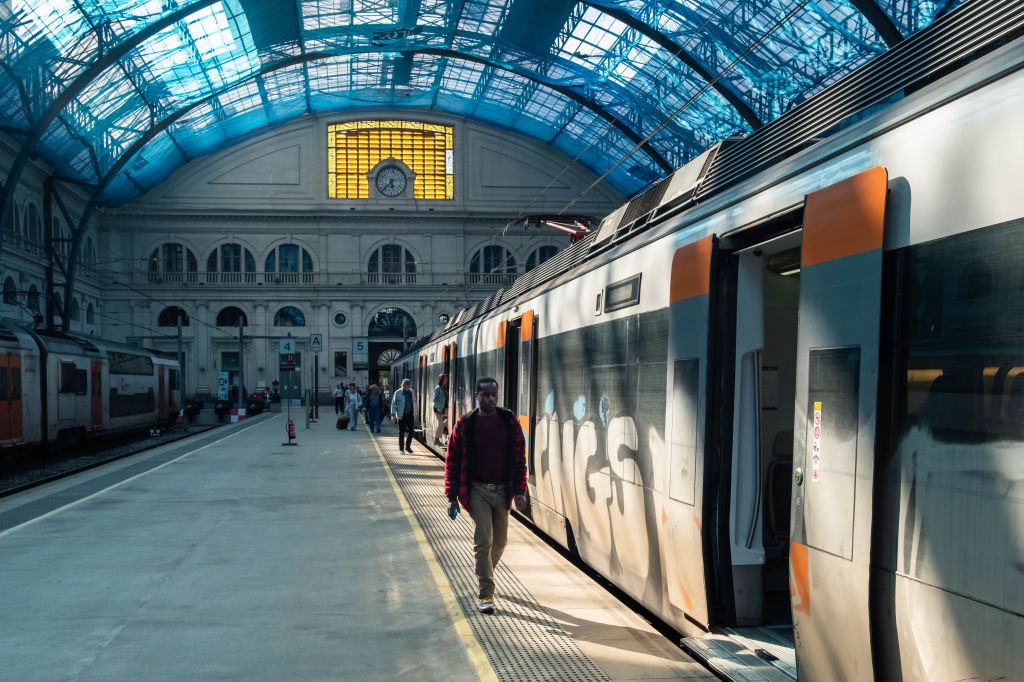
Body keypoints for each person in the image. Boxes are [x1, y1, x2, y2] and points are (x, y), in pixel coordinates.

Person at [444, 377, 528, 614]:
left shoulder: (509, 421)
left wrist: (520, 491)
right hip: (477, 490)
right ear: (477, 395)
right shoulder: (465, 425)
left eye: (494, 394)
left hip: (502, 491)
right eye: (487, 394)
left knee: (500, 542)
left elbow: (520, 458)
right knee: (484, 540)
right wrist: (452, 496)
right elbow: (452, 461)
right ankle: (486, 593)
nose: (491, 398)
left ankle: (485, 573)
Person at [390, 378, 418, 453]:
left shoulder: (412, 392)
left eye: (407, 385)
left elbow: (414, 402)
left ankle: (408, 447)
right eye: (404, 385)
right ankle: (401, 449)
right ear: (402, 385)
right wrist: (393, 415)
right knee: (401, 433)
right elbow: (393, 404)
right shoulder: (397, 392)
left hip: (410, 414)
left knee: (411, 431)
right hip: (401, 415)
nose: (406, 387)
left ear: (409, 386)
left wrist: (415, 413)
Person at [432, 373, 449, 447]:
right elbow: (435, 400)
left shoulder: (444, 387)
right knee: (441, 423)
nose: (446, 380)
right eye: (445, 379)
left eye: (446, 379)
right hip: (438, 409)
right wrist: (439, 408)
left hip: (444, 408)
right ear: (441, 379)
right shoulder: (438, 388)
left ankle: (438, 438)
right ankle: (436, 440)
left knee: (449, 420)